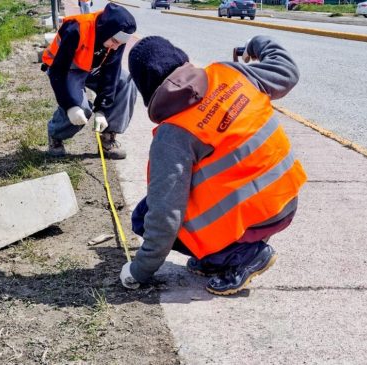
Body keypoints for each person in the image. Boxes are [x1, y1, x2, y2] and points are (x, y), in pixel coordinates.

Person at [119, 35, 307, 295]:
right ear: (180, 57)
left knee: (144, 217)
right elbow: (287, 71)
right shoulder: (229, 73)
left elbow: (165, 217)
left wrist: (139, 270)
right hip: (286, 199)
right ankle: (218, 255)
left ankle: (243, 255)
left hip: (256, 218)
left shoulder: (173, 133)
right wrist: (259, 43)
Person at [41, 3, 137, 159]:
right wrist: (70, 106)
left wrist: (102, 108)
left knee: (125, 82)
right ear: (106, 29)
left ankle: (107, 136)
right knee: (81, 109)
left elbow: (112, 71)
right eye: (114, 41)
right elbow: (58, 72)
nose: (115, 47)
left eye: (119, 44)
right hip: (67, 69)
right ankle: (56, 134)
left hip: (90, 68)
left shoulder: (117, 39)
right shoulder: (76, 28)